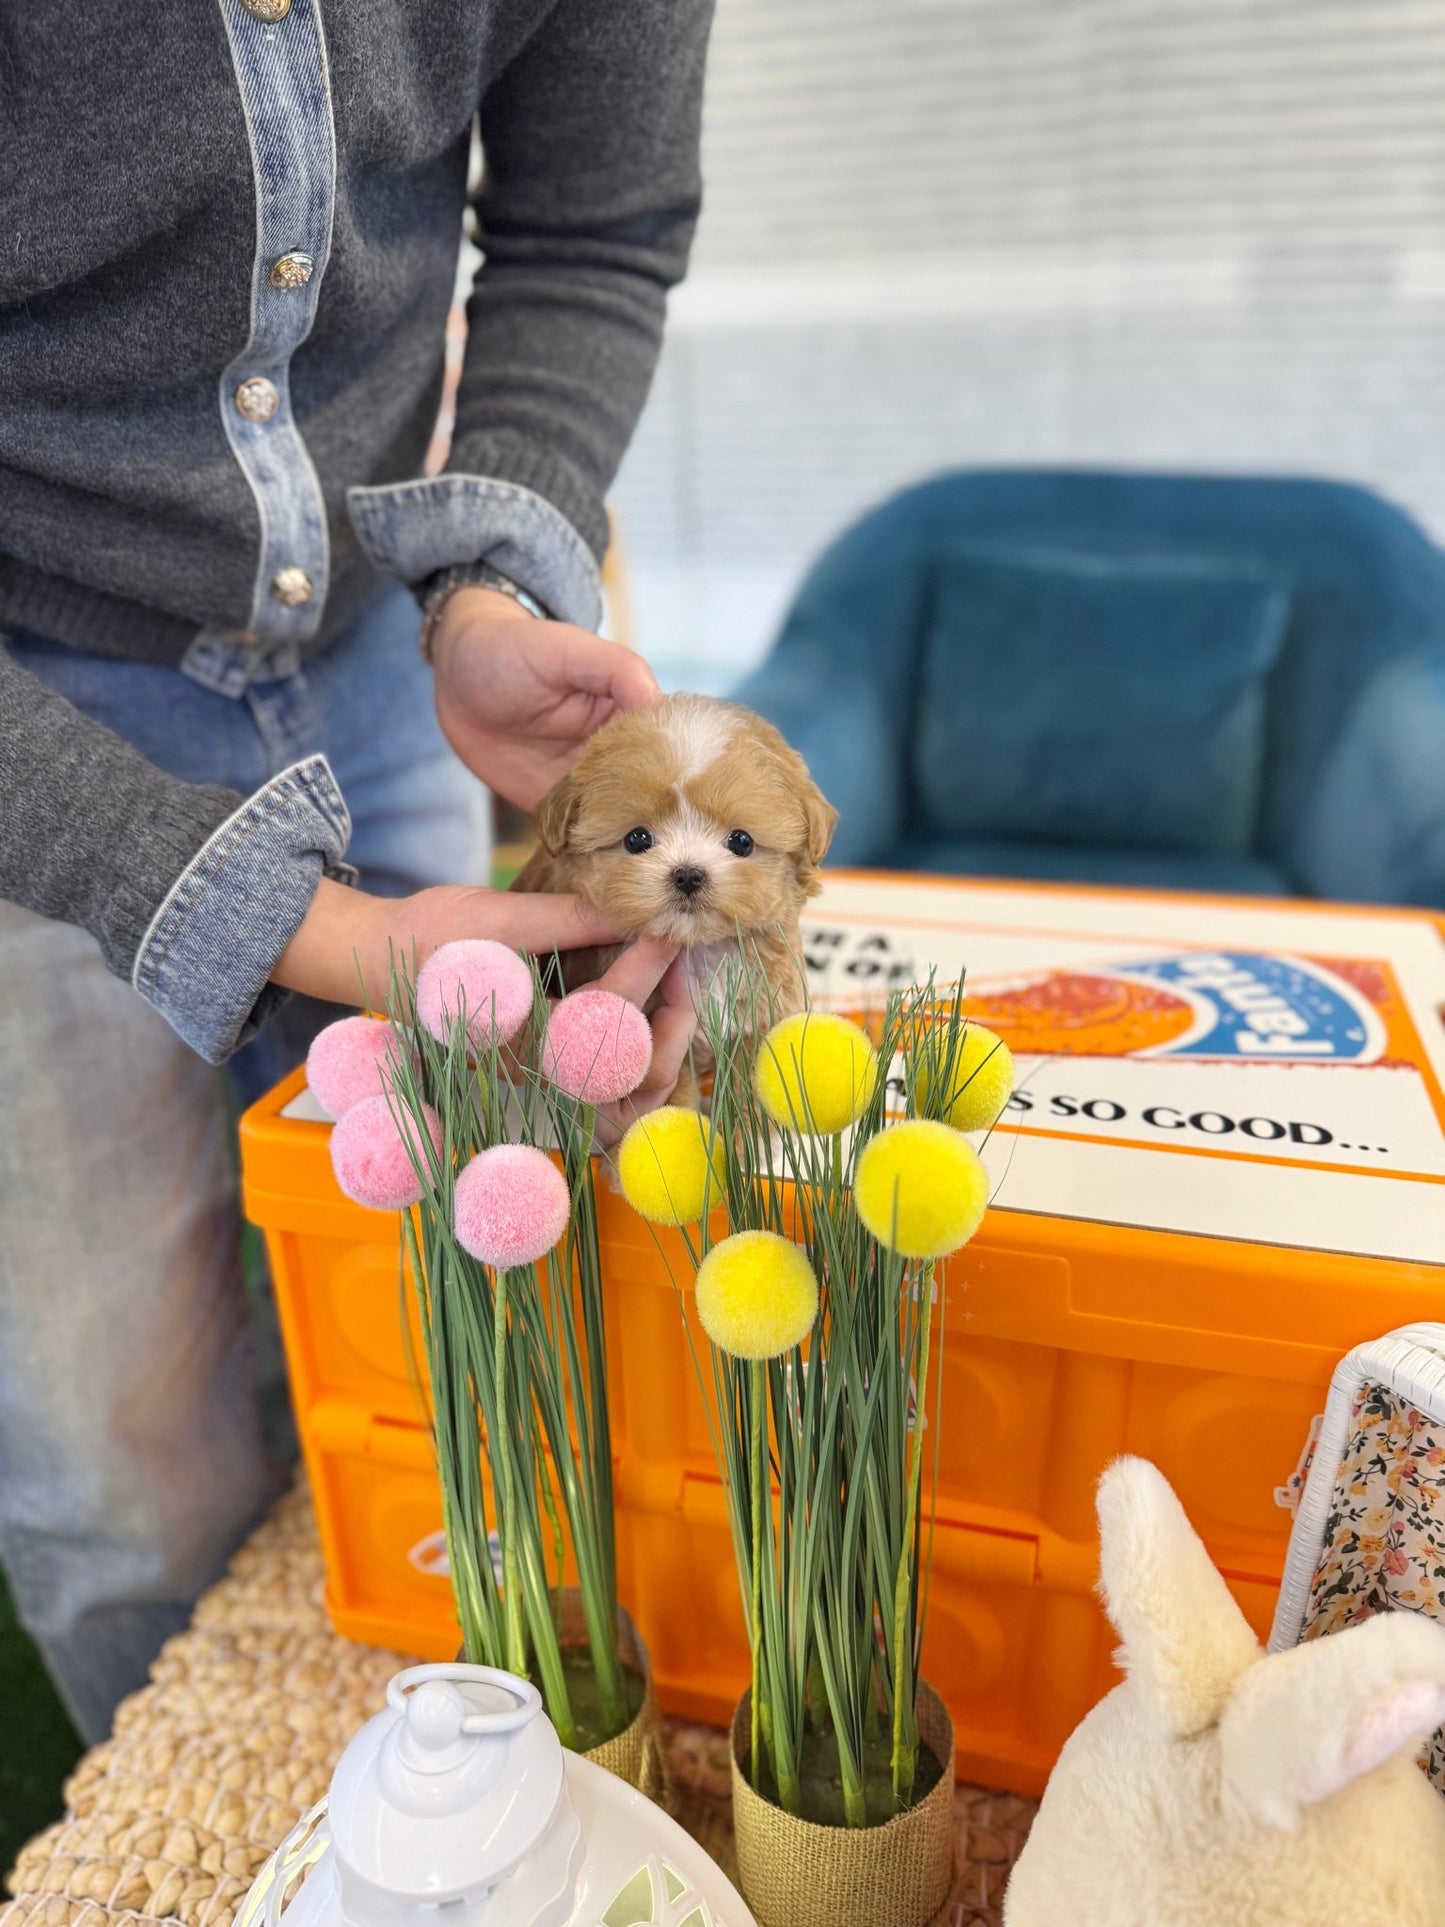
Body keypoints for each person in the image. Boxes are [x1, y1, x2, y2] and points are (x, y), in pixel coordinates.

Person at [0, 0, 714, 1743]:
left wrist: (487, 583)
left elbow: (591, 230)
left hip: (387, 651)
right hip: (32, 695)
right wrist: (299, 926)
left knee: (482, 1340)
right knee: (123, 1473)